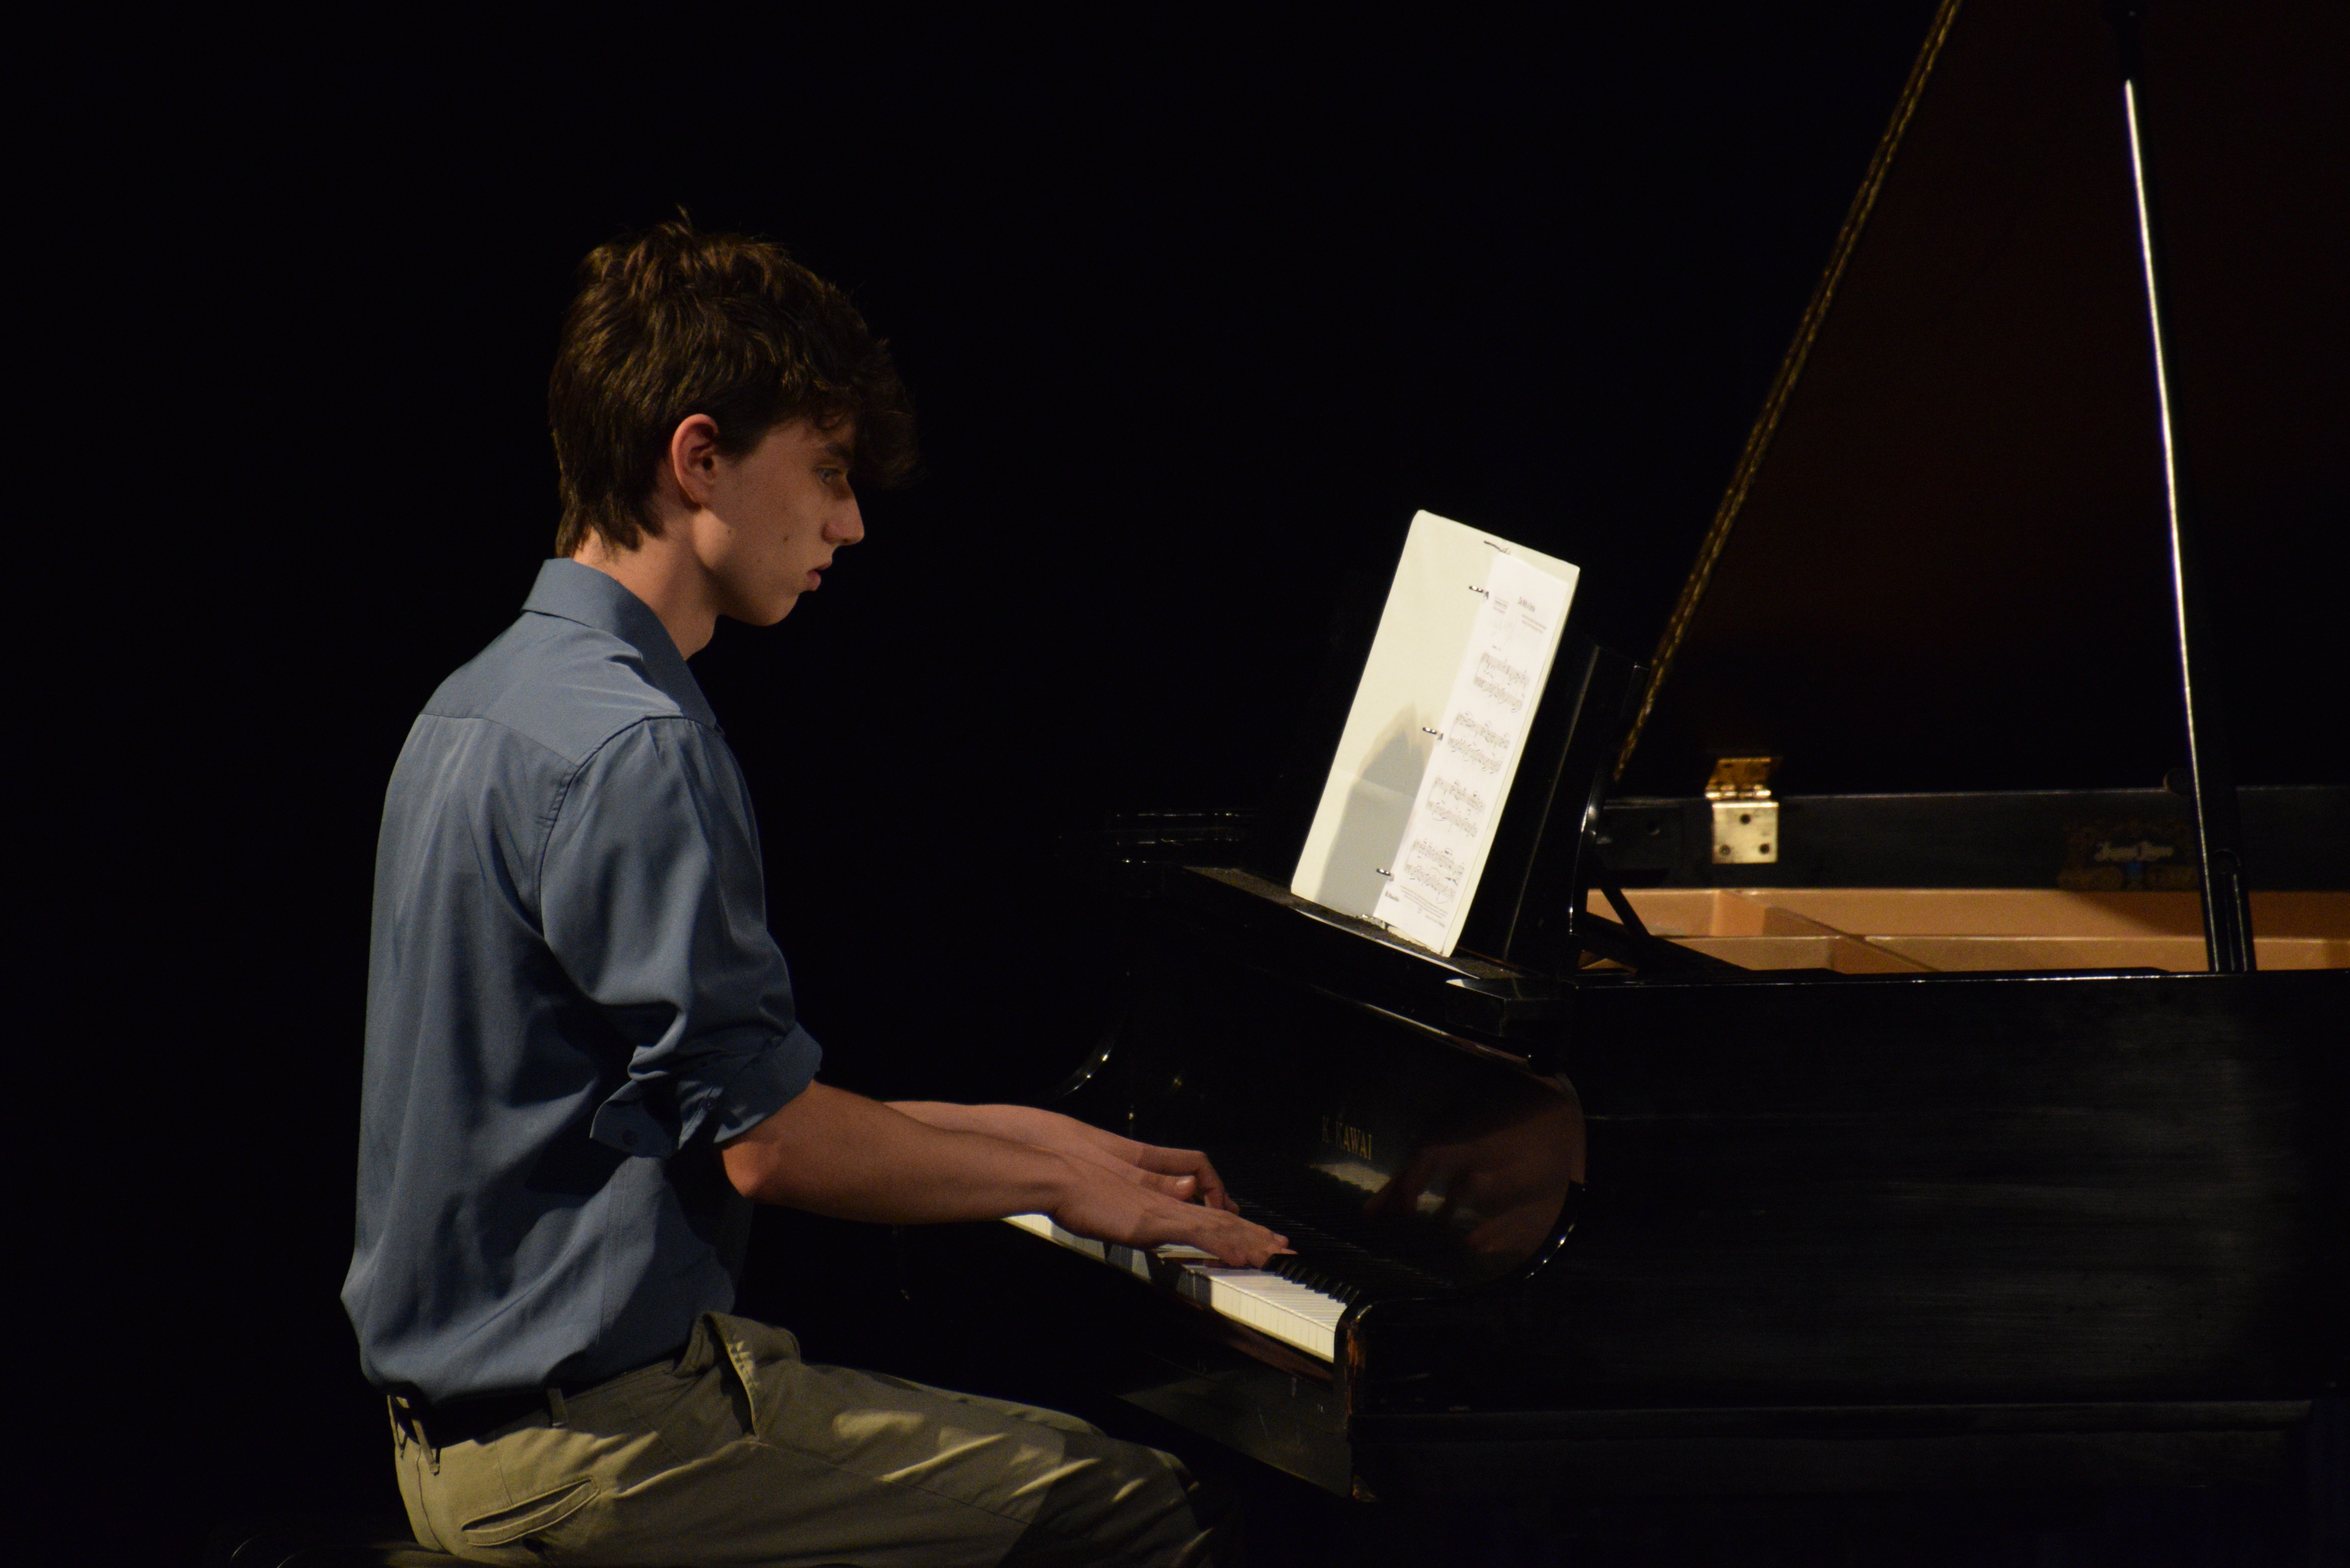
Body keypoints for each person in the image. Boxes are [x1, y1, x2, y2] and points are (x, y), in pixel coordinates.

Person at [341, 219, 1287, 1567]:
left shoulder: (484, 701)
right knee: (1138, 1511)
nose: (850, 520)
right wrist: (1060, 1194)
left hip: (462, 1442)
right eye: (828, 472)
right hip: (603, 1457)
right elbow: (770, 1146)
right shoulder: (636, 744)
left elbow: (702, 1095)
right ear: (699, 456)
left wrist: (1047, 1148)